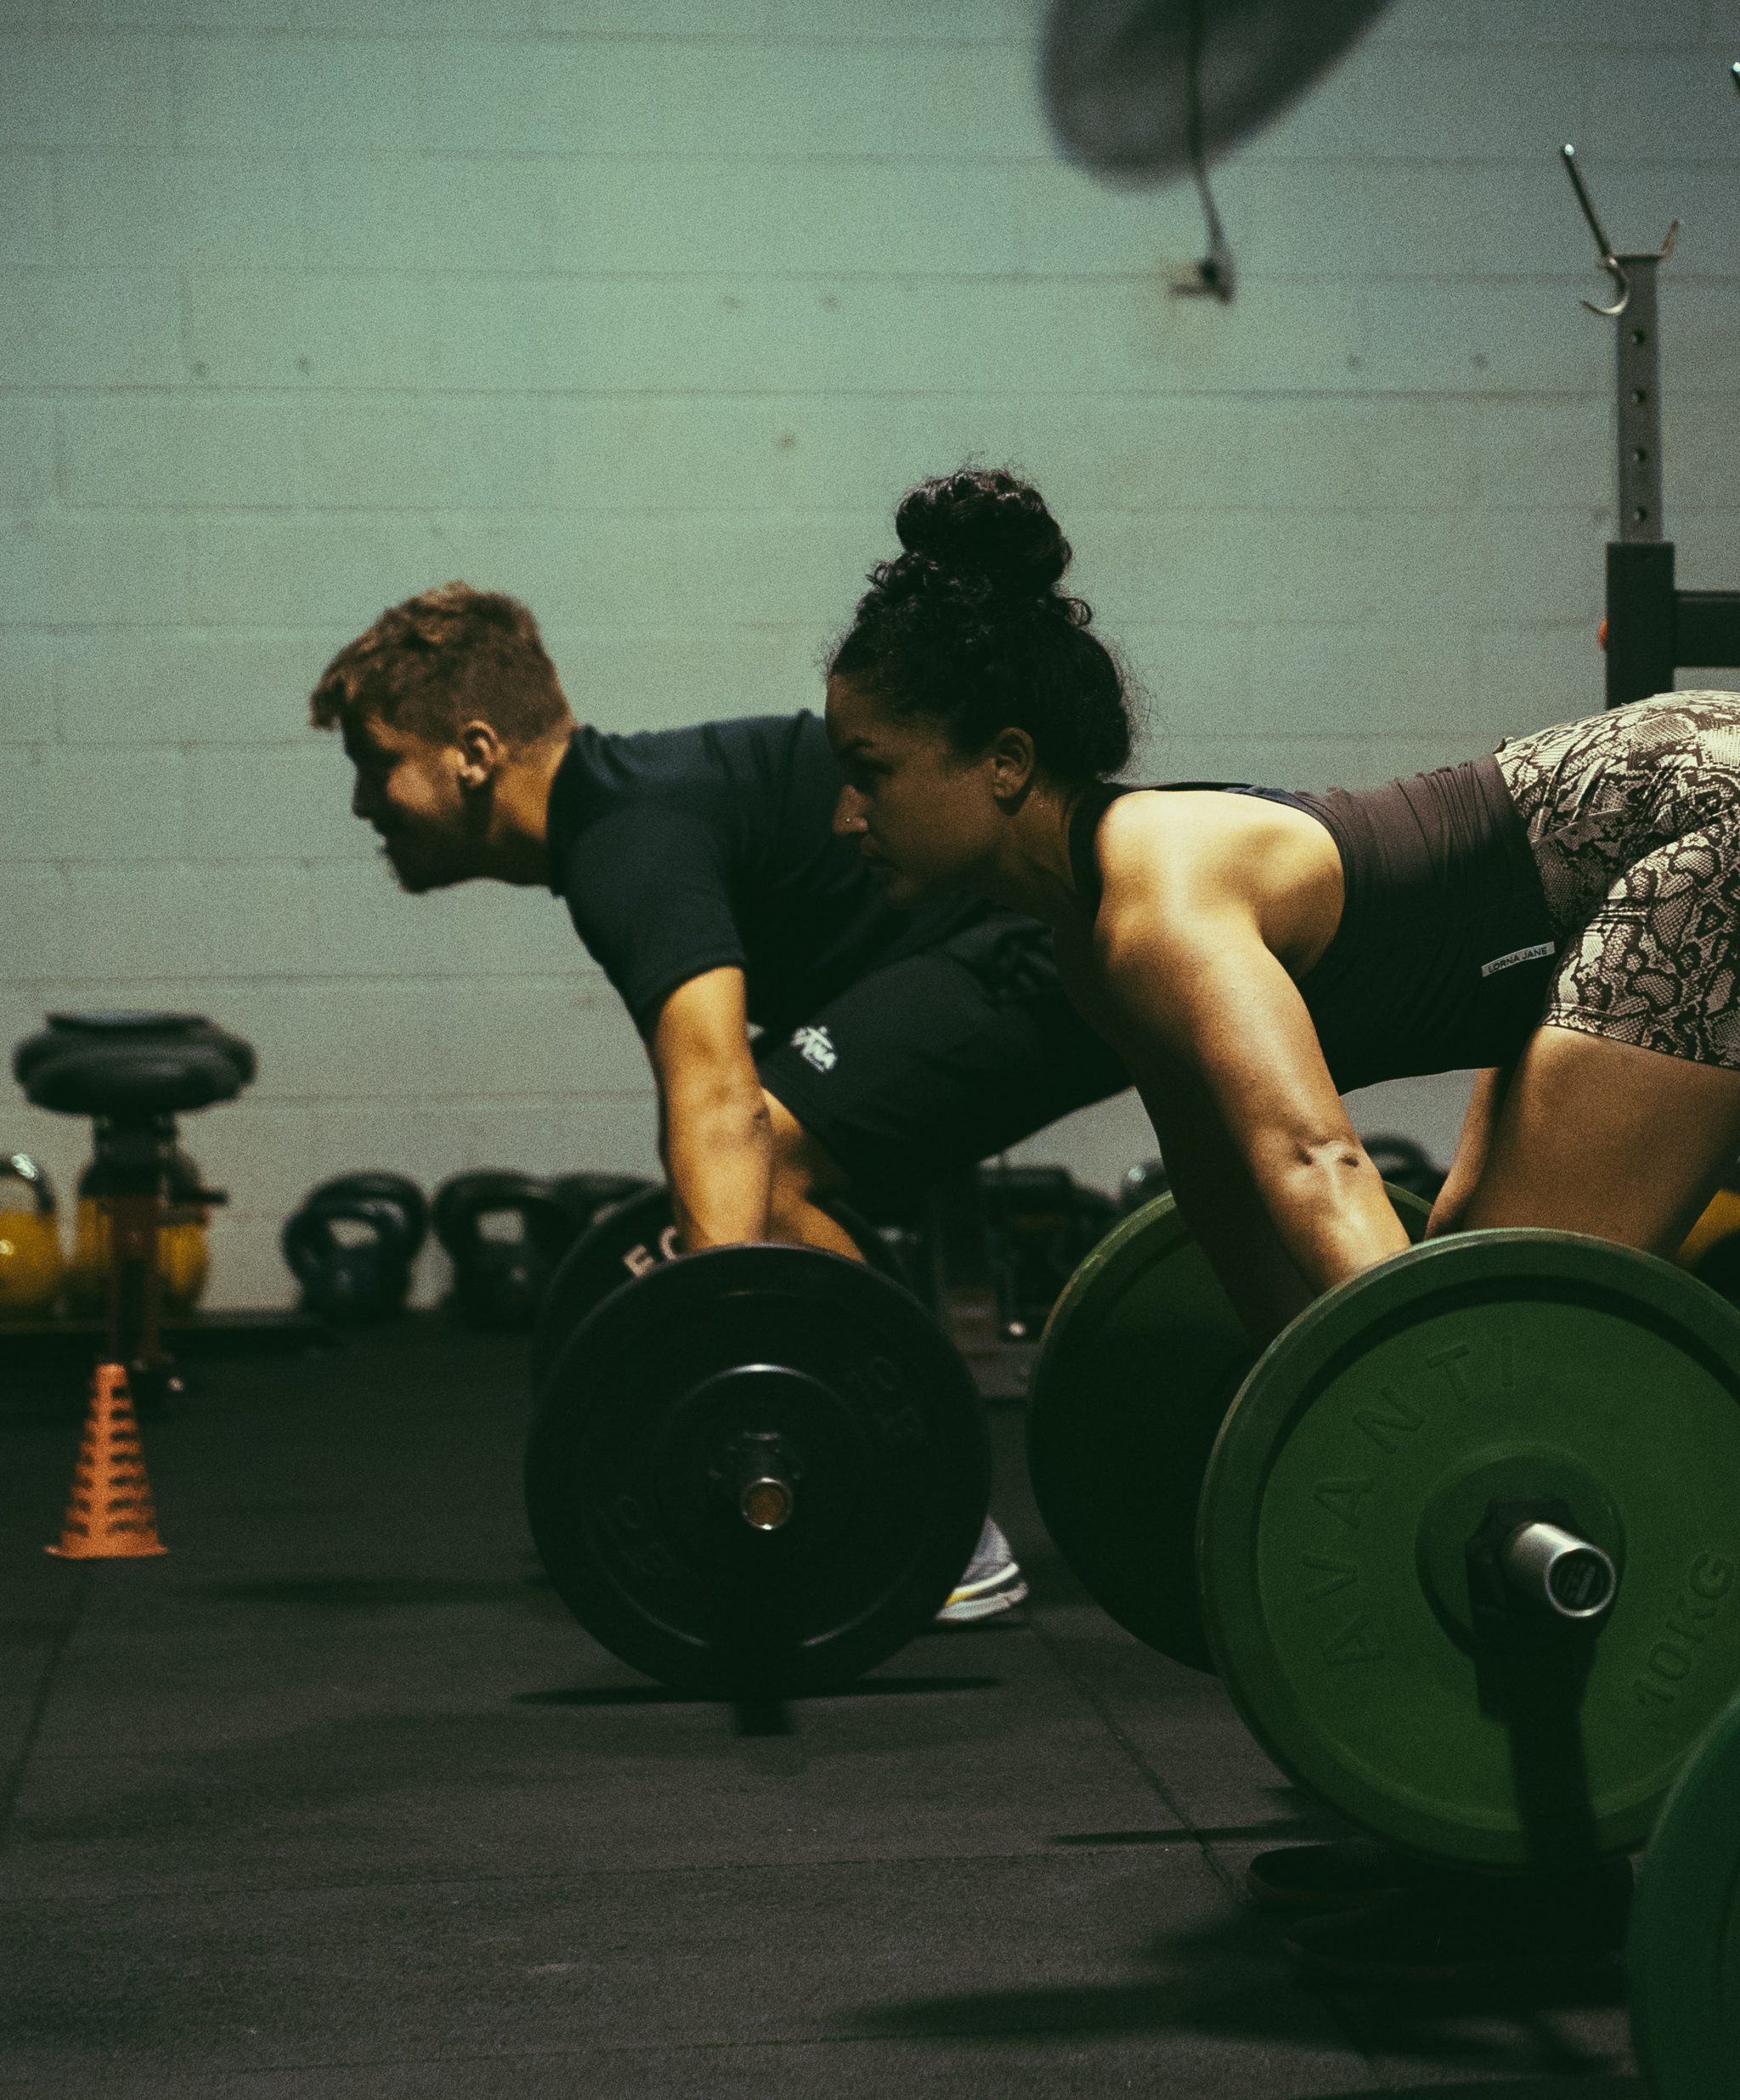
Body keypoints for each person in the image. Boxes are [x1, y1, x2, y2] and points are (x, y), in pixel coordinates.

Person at [821, 463, 1740, 1982]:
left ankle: (1540, 1876)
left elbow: (1314, 1163)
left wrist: (1416, 1443)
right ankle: (1472, 1835)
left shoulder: (1156, 908)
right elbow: (1224, 1190)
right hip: (1631, 835)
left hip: (1700, 829)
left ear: (1002, 764)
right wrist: (1307, 1434)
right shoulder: (1091, 931)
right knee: (1474, 1281)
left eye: (870, 769)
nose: (843, 813)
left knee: (1515, 1368)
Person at [309, 583, 1130, 1624]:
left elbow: (717, 1109)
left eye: (376, 762)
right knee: (740, 1164)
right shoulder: (621, 819)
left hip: (1037, 951)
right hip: (987, 951)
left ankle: (932, 1519)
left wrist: (729, 1377)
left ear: (473, 752)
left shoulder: (624, 841)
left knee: (756, 1159)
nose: (363, 802)